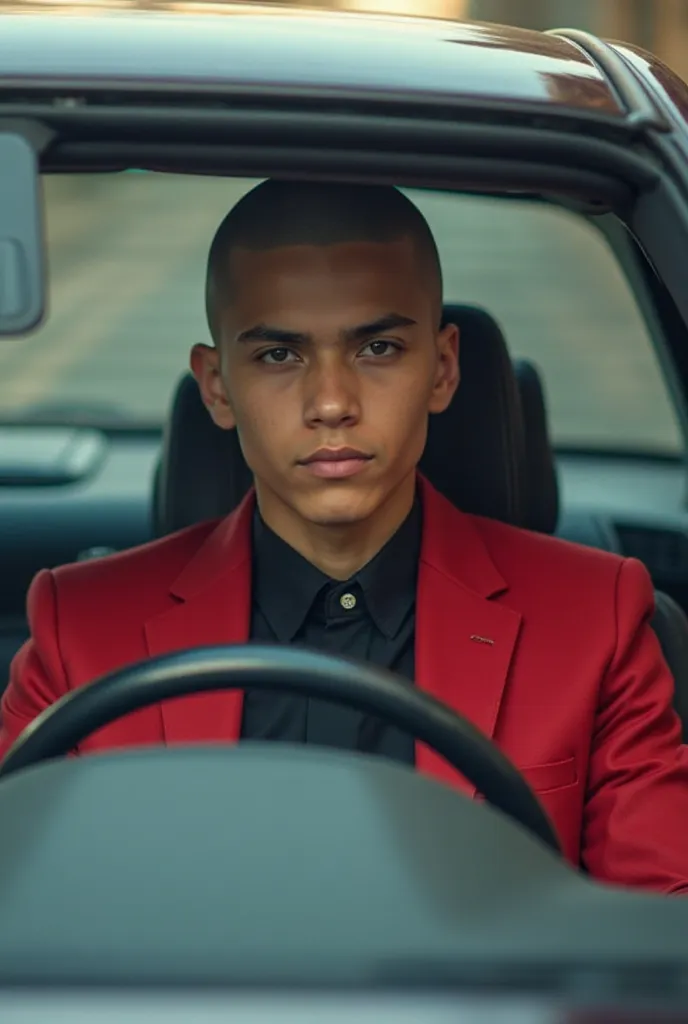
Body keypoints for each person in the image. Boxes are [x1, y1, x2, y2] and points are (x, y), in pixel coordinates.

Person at [2, 179, 688, 892]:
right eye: (278, 355)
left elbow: (662, 935)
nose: (332, 403)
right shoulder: (78, 630)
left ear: (443, 369)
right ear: (216, 387)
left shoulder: (595, 621)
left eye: (378, 347)